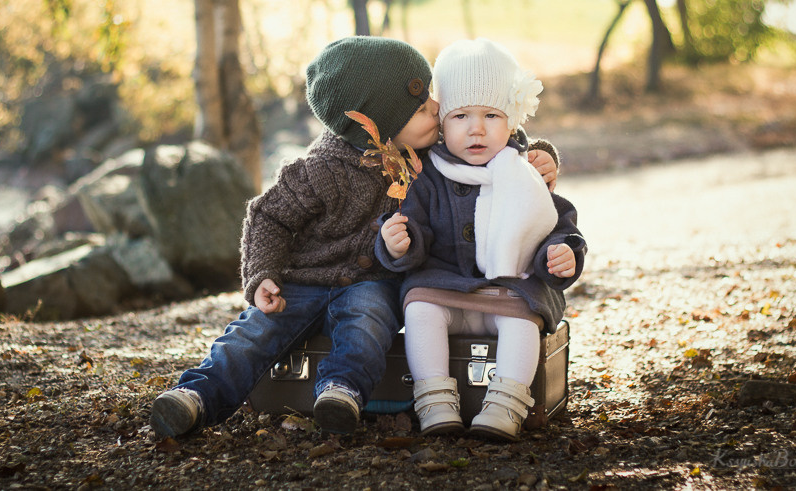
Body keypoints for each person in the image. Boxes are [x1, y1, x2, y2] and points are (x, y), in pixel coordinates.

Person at [149, 36, 560, 439]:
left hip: (372, 282)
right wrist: (262, 275)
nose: (438, 109)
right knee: (255, 333)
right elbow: (268, 216)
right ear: (379, 125)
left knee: (367, 325)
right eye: (421, 107)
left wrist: (538, 155)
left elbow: (487, 141)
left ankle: (340, 393)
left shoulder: (422, 149)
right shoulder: (320, 170)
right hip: (304, 280)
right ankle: (195, 395)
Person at [375, 37, 587, 442]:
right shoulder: (428, 174)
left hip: (509, 291)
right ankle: (434, 400)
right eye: (460, 116)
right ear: (441, 123)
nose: (476, 128)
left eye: (491, 114)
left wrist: (560, 254)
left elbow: (556, 223)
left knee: (523, 319)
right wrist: (400, 242)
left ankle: (506, 402)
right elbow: (413, 223)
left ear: (512, 120)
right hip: (445, 286)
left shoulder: (524, 172)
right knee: (418, 308)